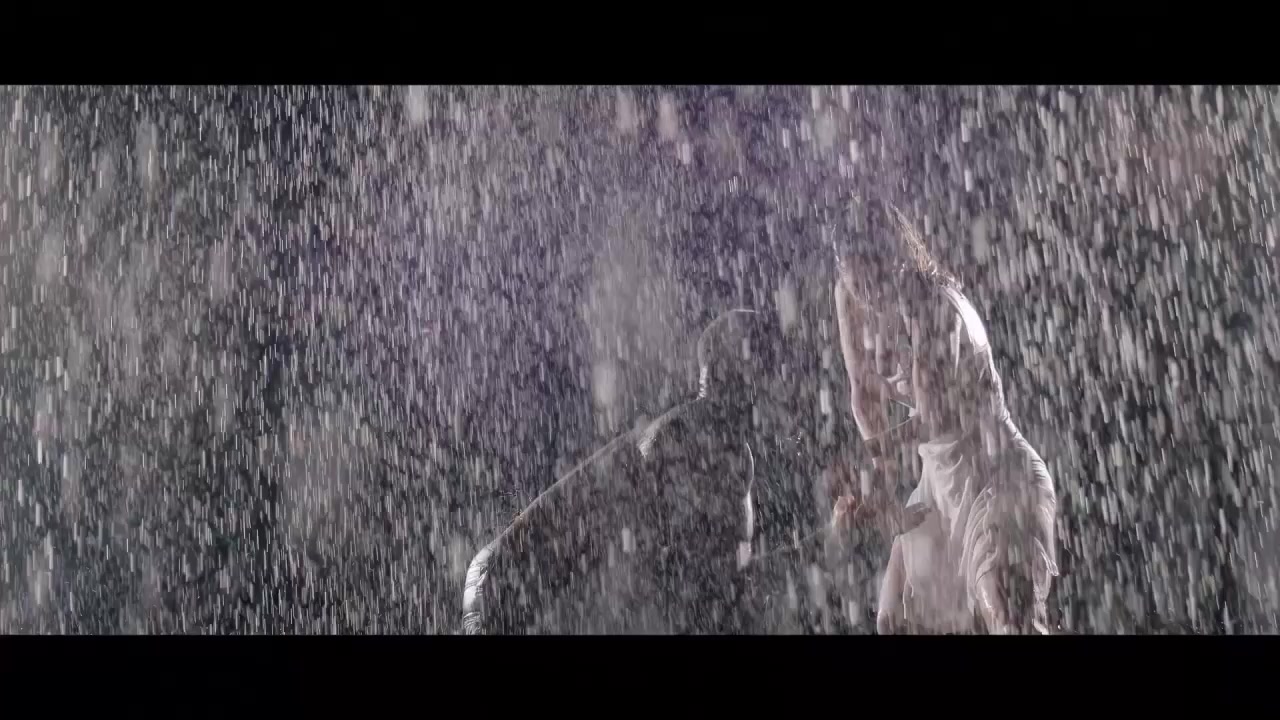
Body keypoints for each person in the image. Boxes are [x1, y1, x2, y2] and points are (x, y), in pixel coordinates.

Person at [462, 309, 782, 634]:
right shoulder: (691, 443)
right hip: (501, 588)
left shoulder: (723, 449)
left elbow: (711, 575)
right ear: (740, 376)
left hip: (506, 586)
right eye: (768, 371)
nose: (776, 388)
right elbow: (679, 580)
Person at [831, 200, 1058, 635]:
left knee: (1010, 622)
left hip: (995, 477)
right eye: (857, 286)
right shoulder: (848, 296)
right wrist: (881, 487)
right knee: (892, 620)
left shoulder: (929, 302)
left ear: (893, 262)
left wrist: (868, 470)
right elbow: (863, 396)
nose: (869, 297)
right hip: (937, 487)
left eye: (874, 282)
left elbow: (933, 417)